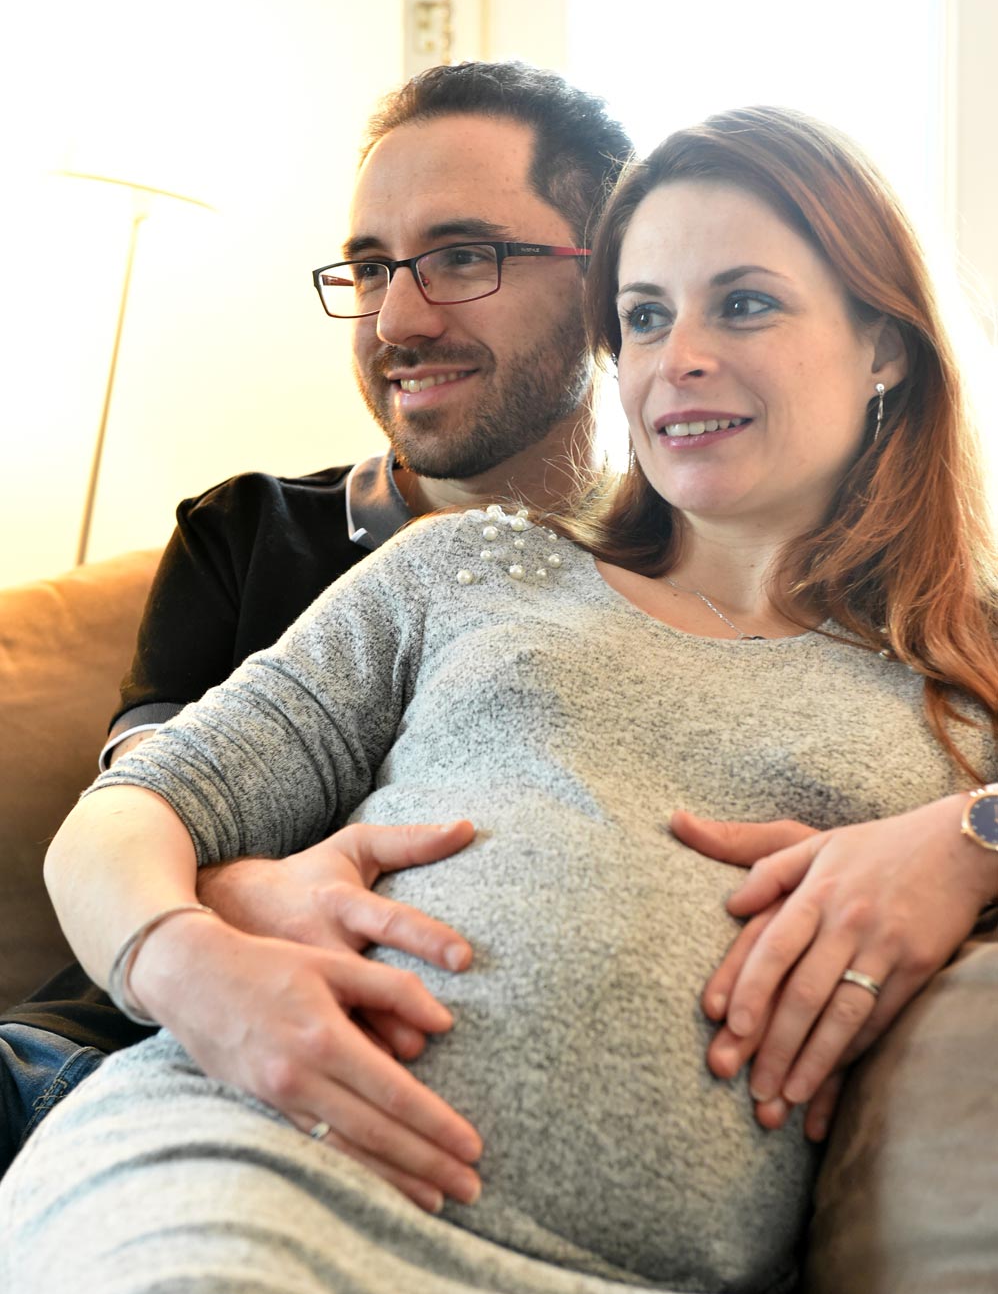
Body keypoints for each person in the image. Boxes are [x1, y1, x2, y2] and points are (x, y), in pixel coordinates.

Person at [1, 103, 980, 1294]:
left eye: (742, 304)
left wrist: (969, 836)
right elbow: (126, 815)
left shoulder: (960, 677)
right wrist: (190, 966)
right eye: (643, 317)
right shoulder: (469, 569)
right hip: (256, 1194)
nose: (679, 358)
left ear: (882, 346)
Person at [0, 60, 633, 1192]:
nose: (397, 319)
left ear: (610, 282)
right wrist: (215, 896)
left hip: (401, 1129)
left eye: (462, 256)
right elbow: (143, 816)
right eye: (371, 266)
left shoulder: (685, 581)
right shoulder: (244, 532)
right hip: (87, 1061)